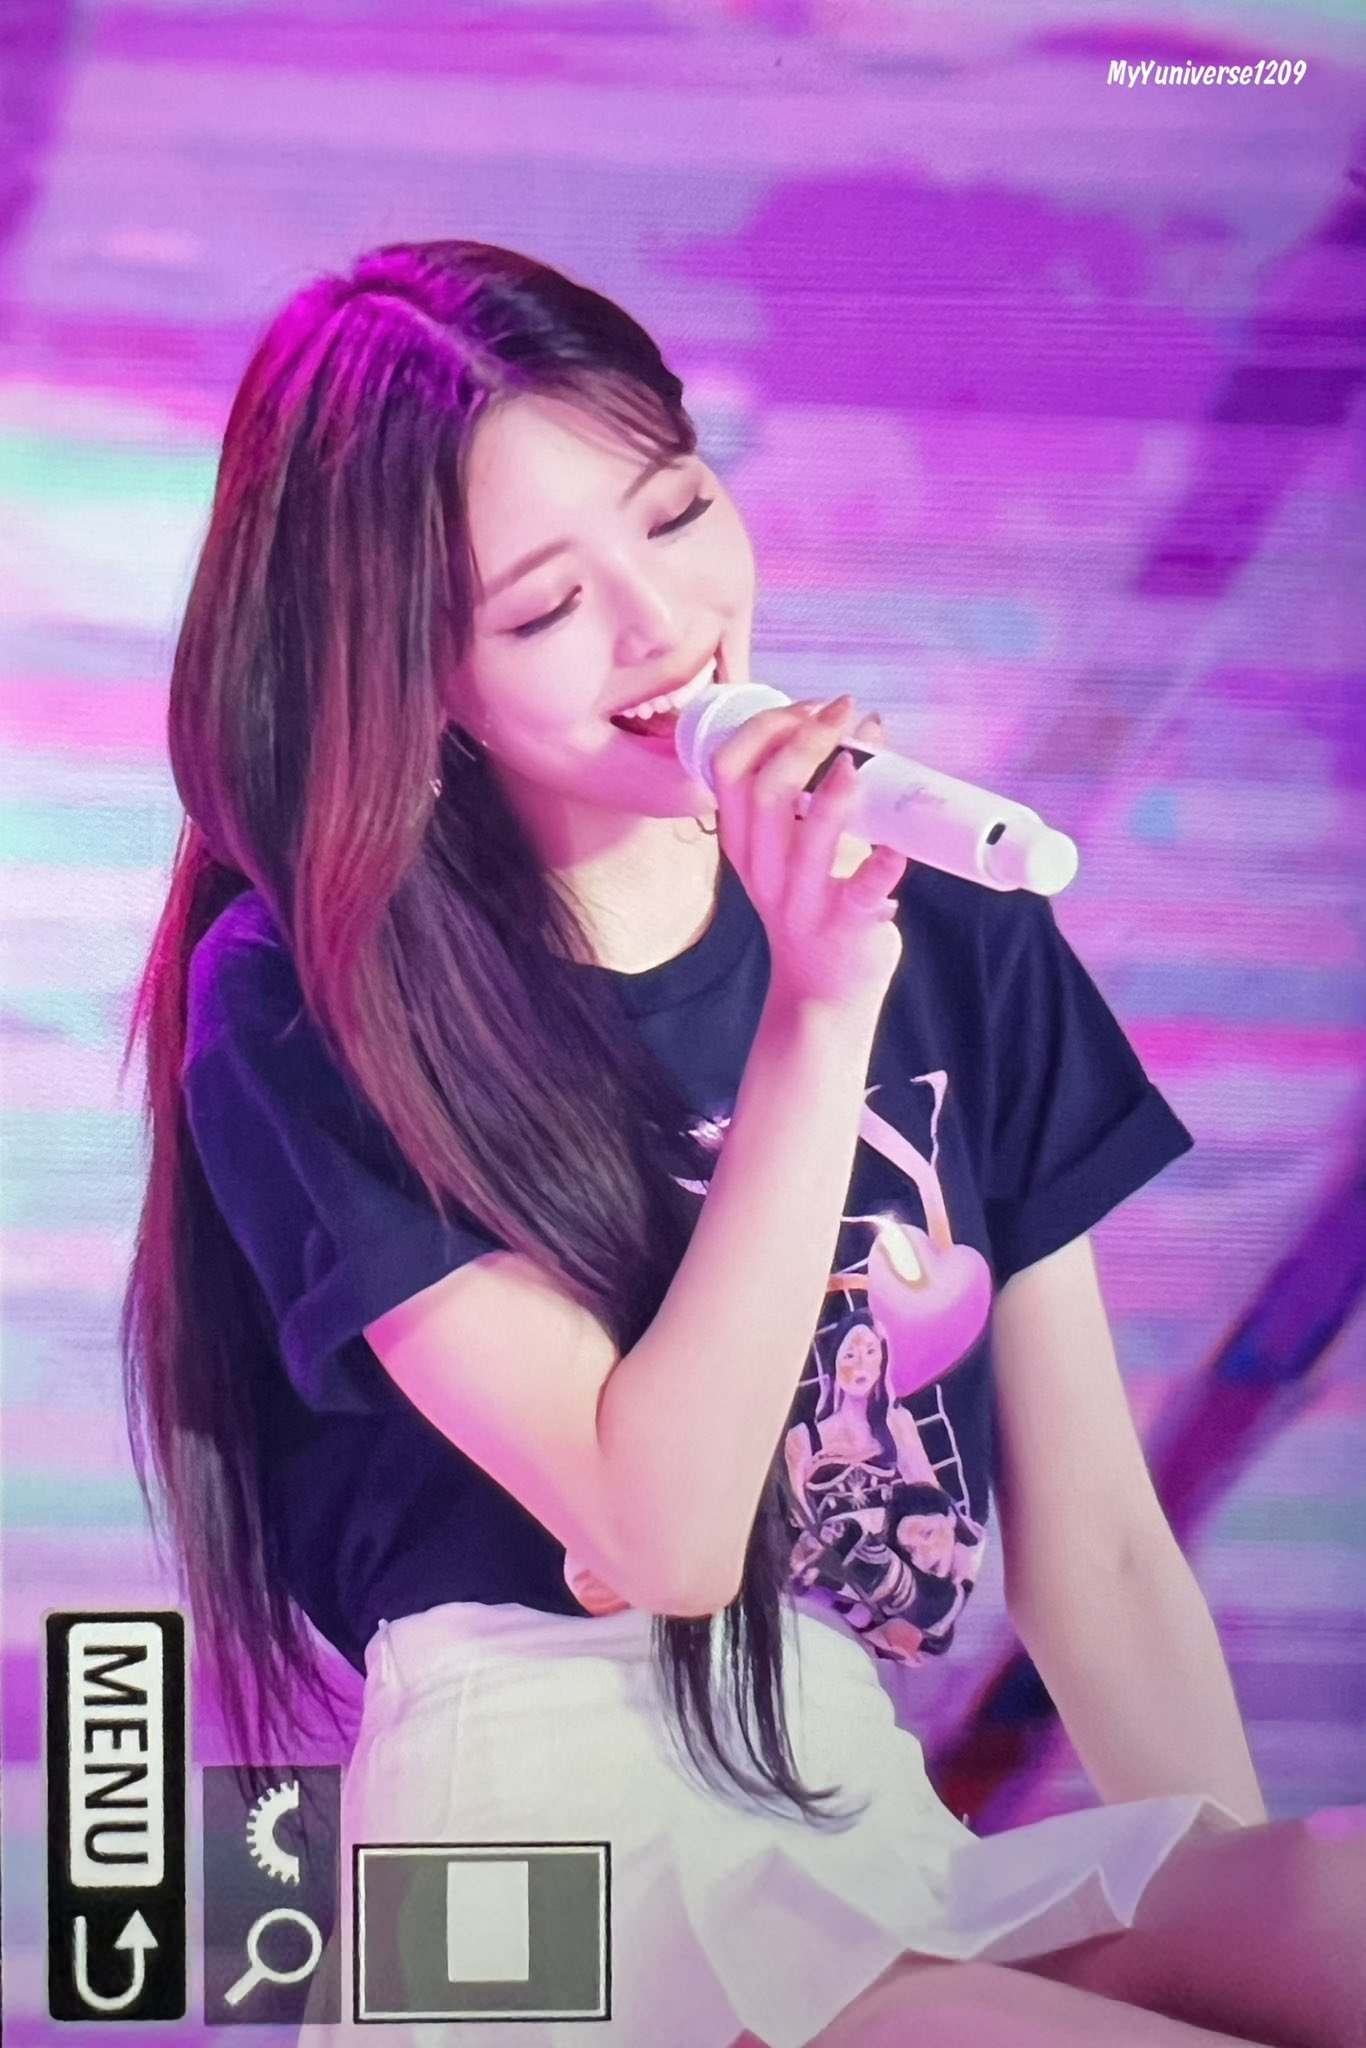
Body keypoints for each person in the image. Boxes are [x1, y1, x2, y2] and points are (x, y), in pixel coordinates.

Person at [120, 240, 1366, 2048]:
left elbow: (1094, 1547)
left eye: (677, 509)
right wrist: (817, 1007)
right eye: (547, 608)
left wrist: (1237, 1944)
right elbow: (667, 1536)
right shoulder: (315, 992)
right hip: (541, 1855)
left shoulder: (950, 921)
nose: (666, 627)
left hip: (841, 1795)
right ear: (417, 673)